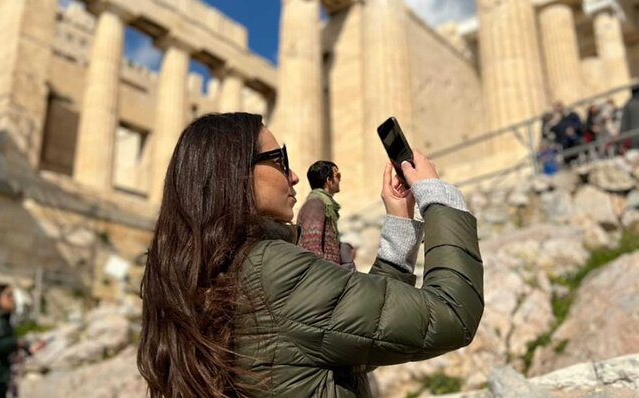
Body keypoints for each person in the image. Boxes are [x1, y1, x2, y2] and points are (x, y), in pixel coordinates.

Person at [137, 112, 484, 398]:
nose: (294, 175)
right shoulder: (271, 270)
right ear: (234, 173)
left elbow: (354, 334)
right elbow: (451, 314)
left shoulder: (200, 274)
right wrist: (437, 196)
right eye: (279, 160)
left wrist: (399, 227)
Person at [297, 160, 345, 265]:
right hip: (323, 276)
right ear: (328, 180)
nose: (339, 180)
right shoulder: (315, 204)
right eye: (338, 176)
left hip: (330, 274)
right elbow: (311, 247)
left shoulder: (324, 204)